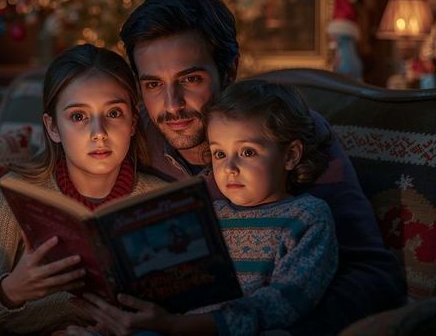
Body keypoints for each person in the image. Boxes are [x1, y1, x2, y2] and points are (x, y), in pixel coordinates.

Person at [72, 0, 405, 335]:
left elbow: (373, 275)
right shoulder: (125, 136)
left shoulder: (284, 134)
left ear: (229, 71)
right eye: (153, 84)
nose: (172, 105)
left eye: (190, 79)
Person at [72, 79, 340, 335]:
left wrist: (177, 326)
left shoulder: (306, 217)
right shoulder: (210, 214)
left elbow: (283, 304)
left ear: (291, 155)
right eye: (219, 154)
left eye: (247, 152)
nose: (229, 168)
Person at [0, 44, 166, 335]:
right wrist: (10, 291)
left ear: (133, 121)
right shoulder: (16, 194)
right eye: (78, 117)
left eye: (114, 113)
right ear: (53, 127)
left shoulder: (161, 198)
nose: (99, 133)